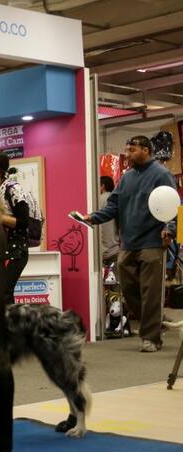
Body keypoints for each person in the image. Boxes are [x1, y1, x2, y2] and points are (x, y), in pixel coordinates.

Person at [82, 136, 177, 353]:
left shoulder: (162, 174)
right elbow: (113, 205)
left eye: (132, 150)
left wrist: (169, 229)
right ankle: (155, 322)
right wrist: (93, 217)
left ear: (146, 150)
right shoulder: (126, 178)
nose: (128, 154)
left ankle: (151, 337)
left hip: (152, 241)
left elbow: (172, 205)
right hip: (128, 243)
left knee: (150, 292)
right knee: (128, 287)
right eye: (127, 149)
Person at [0, 151, 30, 304]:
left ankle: (7, 320)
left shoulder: (13, 189)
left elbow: (24, 221)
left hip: (14, 251)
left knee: (3, 293)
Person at [99, 176, 120, 265]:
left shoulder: (98, 200)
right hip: (116, 249)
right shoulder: (115, 199)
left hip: (103, 250)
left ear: (102, 186)